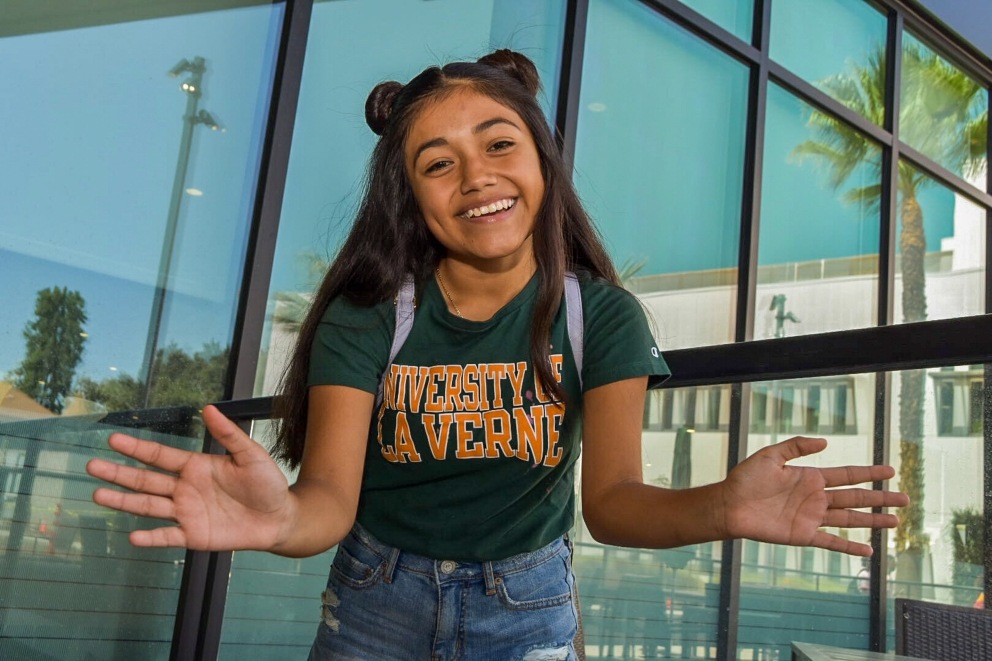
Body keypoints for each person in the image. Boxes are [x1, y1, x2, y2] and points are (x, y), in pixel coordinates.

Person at [86, 49, 908, 660]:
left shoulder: (602, 317)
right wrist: (283, 519)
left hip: (529, 603)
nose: (474, 176)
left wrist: (720, 507)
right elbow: (329, 500)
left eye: (498, 144)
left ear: (542, 161)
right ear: (413, 200)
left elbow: (614, 501)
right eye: (437, 164)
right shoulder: (370, 317)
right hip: (377, 595)